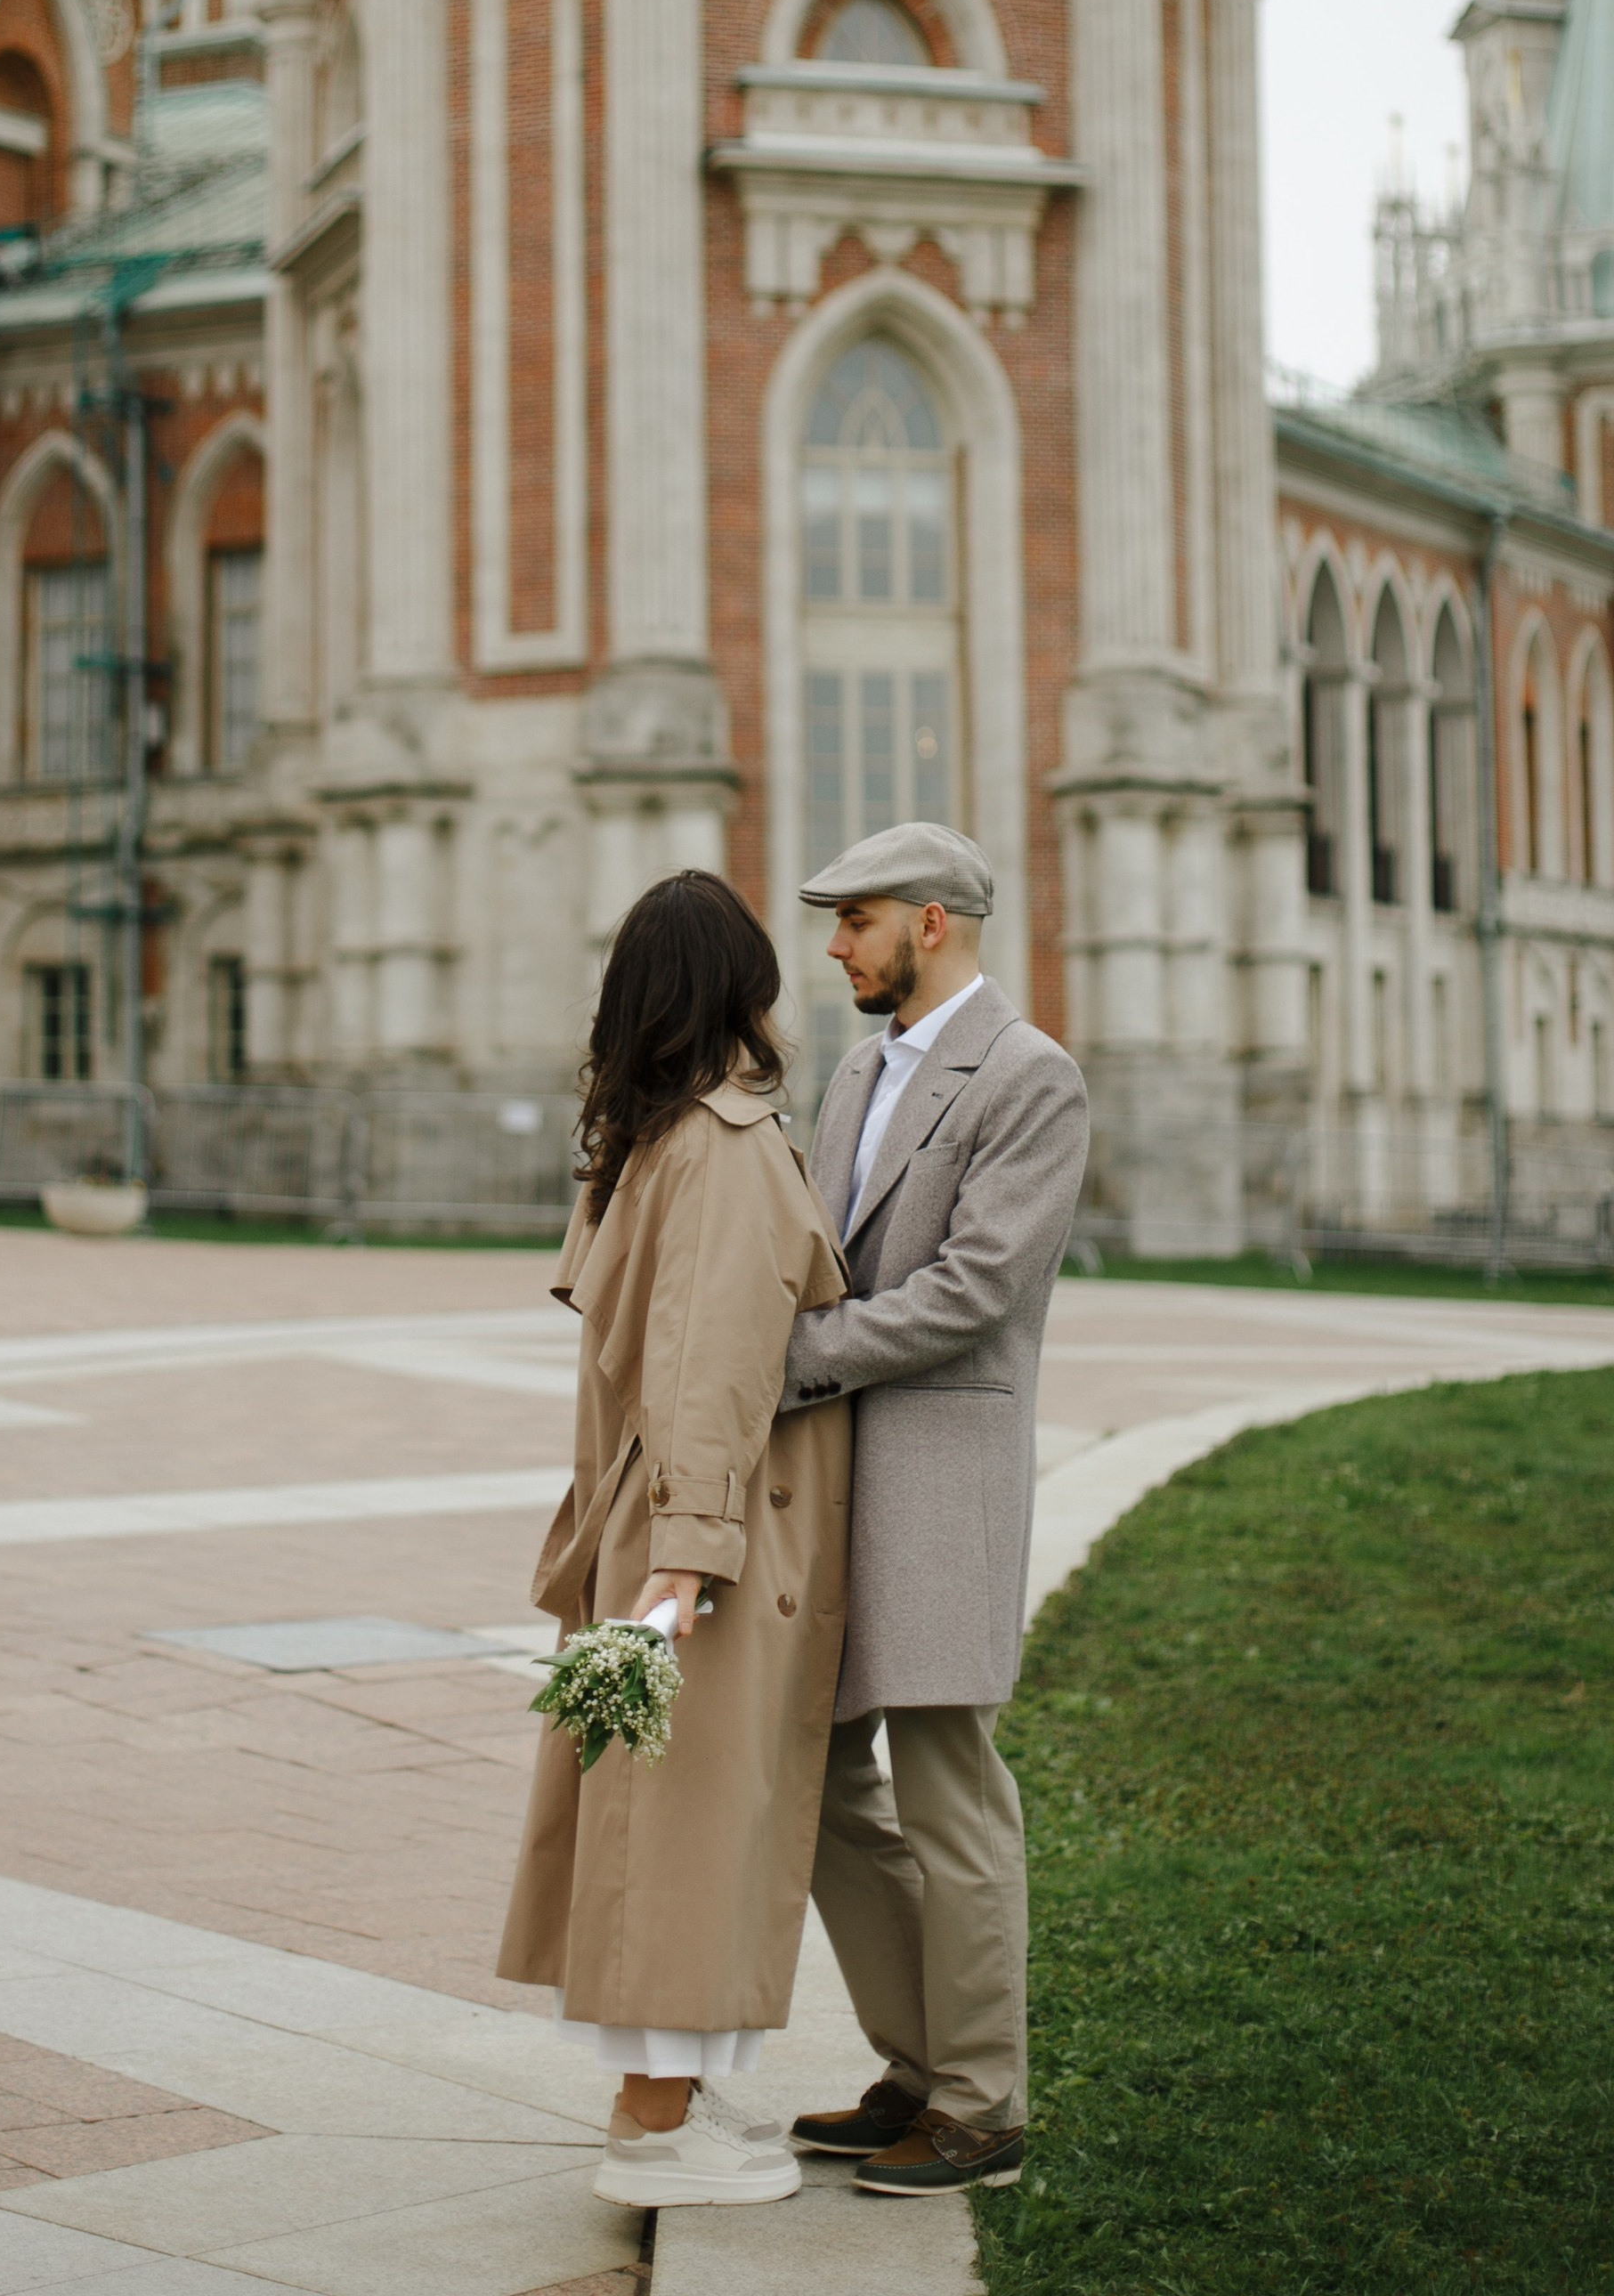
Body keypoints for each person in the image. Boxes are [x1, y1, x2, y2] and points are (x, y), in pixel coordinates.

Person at [498, 867, 855, 2210]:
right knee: (688, 1819)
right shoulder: (721, 1142)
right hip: (701, 1526)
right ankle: (653, 2127)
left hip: (655, 1514)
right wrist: (692, 1555)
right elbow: (709, 1361)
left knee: (663, 1810)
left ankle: (672, 2103)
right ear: (735, 989)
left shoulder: (646, 1137)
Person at [778, 822, 1089, 2198]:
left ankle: (984, 2103)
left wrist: (801, 1360)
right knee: (835, 1786)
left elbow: (975, 1290)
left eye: (855, 921)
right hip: (834, 1482)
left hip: (942, 1480)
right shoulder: (855, 1069)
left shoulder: (1031, 1079)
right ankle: (917, 2067)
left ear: (933, 923)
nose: (836, 945)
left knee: (951, 1791)